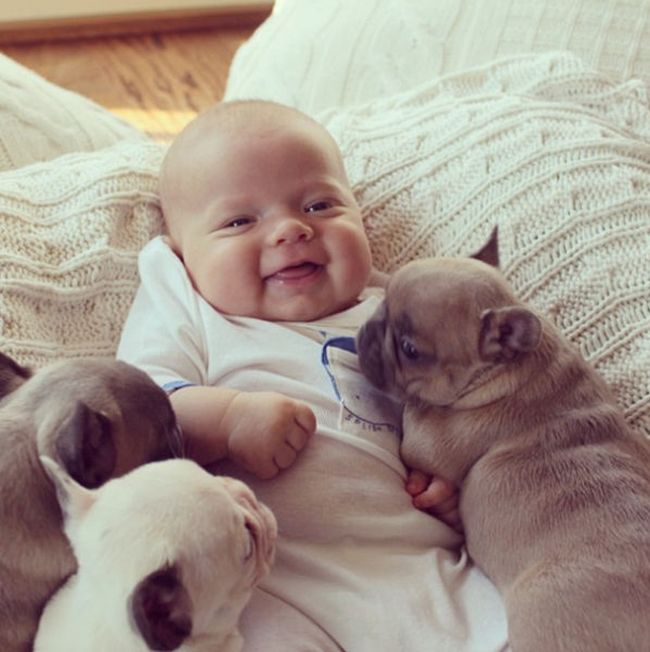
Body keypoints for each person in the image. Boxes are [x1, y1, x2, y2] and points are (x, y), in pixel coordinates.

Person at [117, 100, 506, 651]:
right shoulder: (191, 307)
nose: (292, 229)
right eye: (240, 221)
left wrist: (456, 485)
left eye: (320, 205)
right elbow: (140, 416)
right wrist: (228, 420)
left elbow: (466, 410)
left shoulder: (392, 310)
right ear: (183, 255)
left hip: (414, 562)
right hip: (267, 578)